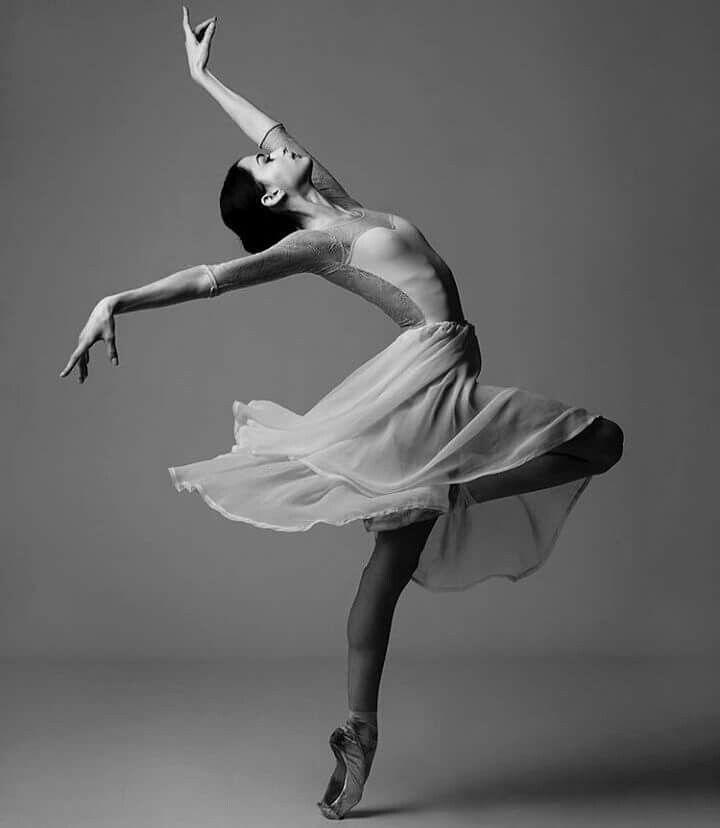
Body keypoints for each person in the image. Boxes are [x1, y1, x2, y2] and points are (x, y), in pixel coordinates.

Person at [59, 7, 624, 819]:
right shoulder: (312, 243)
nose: (279, 145)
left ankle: (359, 737)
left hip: (431, 376)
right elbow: (207, 278)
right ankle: (454, 498)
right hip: (428, 384)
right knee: (598, 442)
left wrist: (203, 77)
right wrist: (116, 299)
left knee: (388, 570)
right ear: (269, 192)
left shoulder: (339, 207)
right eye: (265, 158)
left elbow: (276, 126)